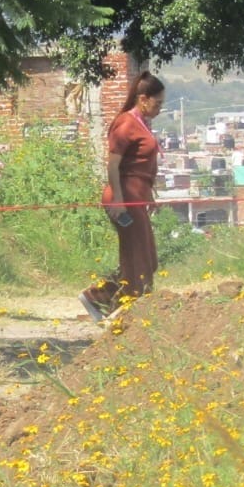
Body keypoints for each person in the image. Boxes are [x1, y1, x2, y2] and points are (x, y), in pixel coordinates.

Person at [80, 70, 166, 321]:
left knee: (147, 258)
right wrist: (119, 199)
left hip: (137, 196)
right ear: (143, 99)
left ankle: (100, 299)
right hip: (123, 198)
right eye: (157, 103)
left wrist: (150, 196)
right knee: (137, 258)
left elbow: (141, 165)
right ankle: (132, 313)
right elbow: (113, 165)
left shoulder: (142, 124)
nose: (160, 108)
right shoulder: (125, 123)